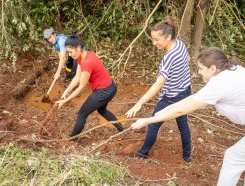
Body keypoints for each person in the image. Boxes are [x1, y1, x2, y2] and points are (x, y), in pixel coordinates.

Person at [131, 47, 245, 186]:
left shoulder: (219, 85)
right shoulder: (232, 70)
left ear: (213, 68)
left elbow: (182, 111)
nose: (198, 72)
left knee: (233, 158)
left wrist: (148, 120)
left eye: (201, 69)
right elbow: (193, 99)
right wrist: (167, 108)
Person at [125, 16, 192, 163]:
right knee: (183, 124)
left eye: (157, 39)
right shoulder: (180, 44)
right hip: (186, 91)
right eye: (152, 39)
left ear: (168, 37)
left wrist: (140, 103)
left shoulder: (168, 58)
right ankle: (187, 157)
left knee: (153, 123)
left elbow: (158, 84)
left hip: (171, 97)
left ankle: (142, 154)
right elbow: (187, 59)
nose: (154, 43)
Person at [55, 31, 124, 137]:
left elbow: (81, 87)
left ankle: (72, 139)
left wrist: (65, 101)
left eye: (70, 52)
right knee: (102, 110)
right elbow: (77, 77)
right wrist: (66, 92)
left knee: (82, 114)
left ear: (77, 48)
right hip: (110, 87)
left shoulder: (87, 62)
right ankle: (122, 130)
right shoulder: (81, 56)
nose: (69, 55)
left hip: (104, 91)